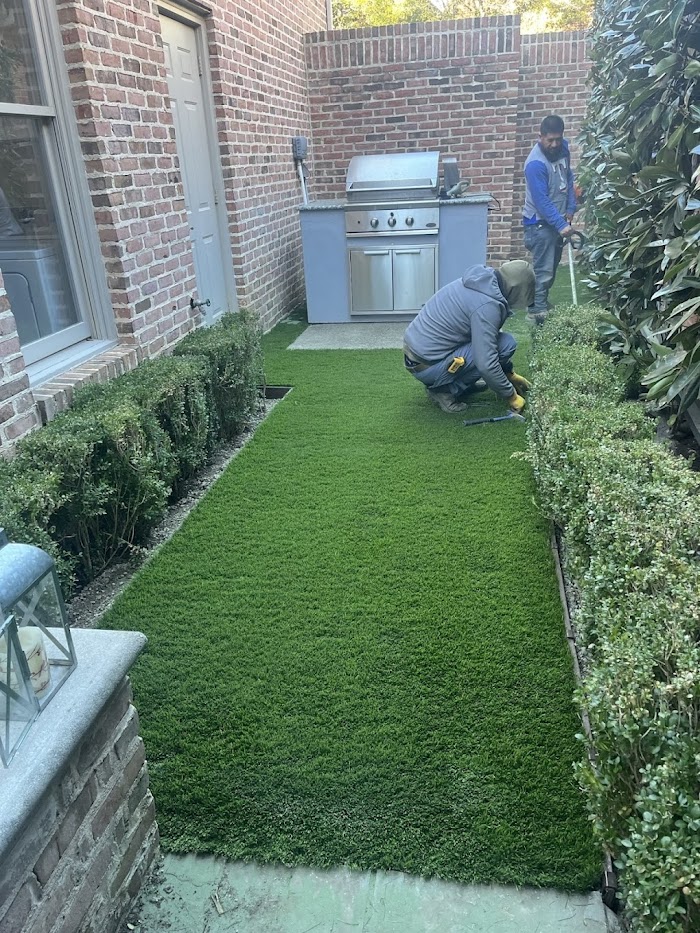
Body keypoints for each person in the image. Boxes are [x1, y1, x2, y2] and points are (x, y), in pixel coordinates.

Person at [402, 260, 535, 414]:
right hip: (427, 365)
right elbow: (486, 363)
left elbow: (488, 339)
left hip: (416, 355)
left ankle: (461, 384)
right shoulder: (487, 306)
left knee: (495, 345)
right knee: (506, 345)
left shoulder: (483, 282)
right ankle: (445, 391)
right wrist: (511, 396)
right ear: (517, 290)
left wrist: (509, 374)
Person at [522, 114, 578, 324]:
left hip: (555, 221)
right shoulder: (535, 164)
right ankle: (536, 312)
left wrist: (570, 208)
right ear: (540, 137)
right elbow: (541, 201)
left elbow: (568, 177)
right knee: (543, 270)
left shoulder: (563, 148)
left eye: (558, 139)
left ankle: (542, 302)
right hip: (538, 224)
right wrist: (561, 224)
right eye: (550, 140)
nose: (554, 144)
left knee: (551, 269)